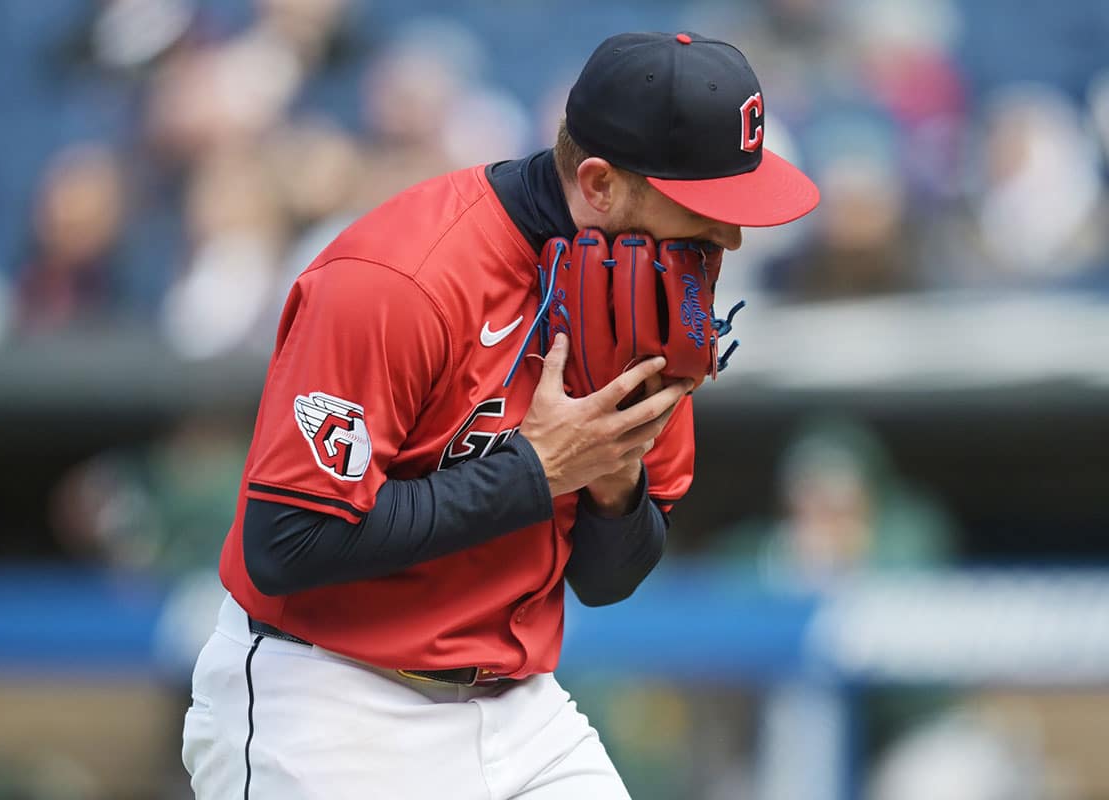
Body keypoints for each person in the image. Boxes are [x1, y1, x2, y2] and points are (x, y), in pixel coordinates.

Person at [182, 31, 819, 799]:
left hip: (520, 709)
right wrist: (537, 471)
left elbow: (609, 579)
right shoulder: (397, 277)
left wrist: (614, 482)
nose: (731, 235)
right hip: (327, 698)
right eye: (702, 205)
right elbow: (286, 542)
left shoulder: (652, 292)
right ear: (601, 184)